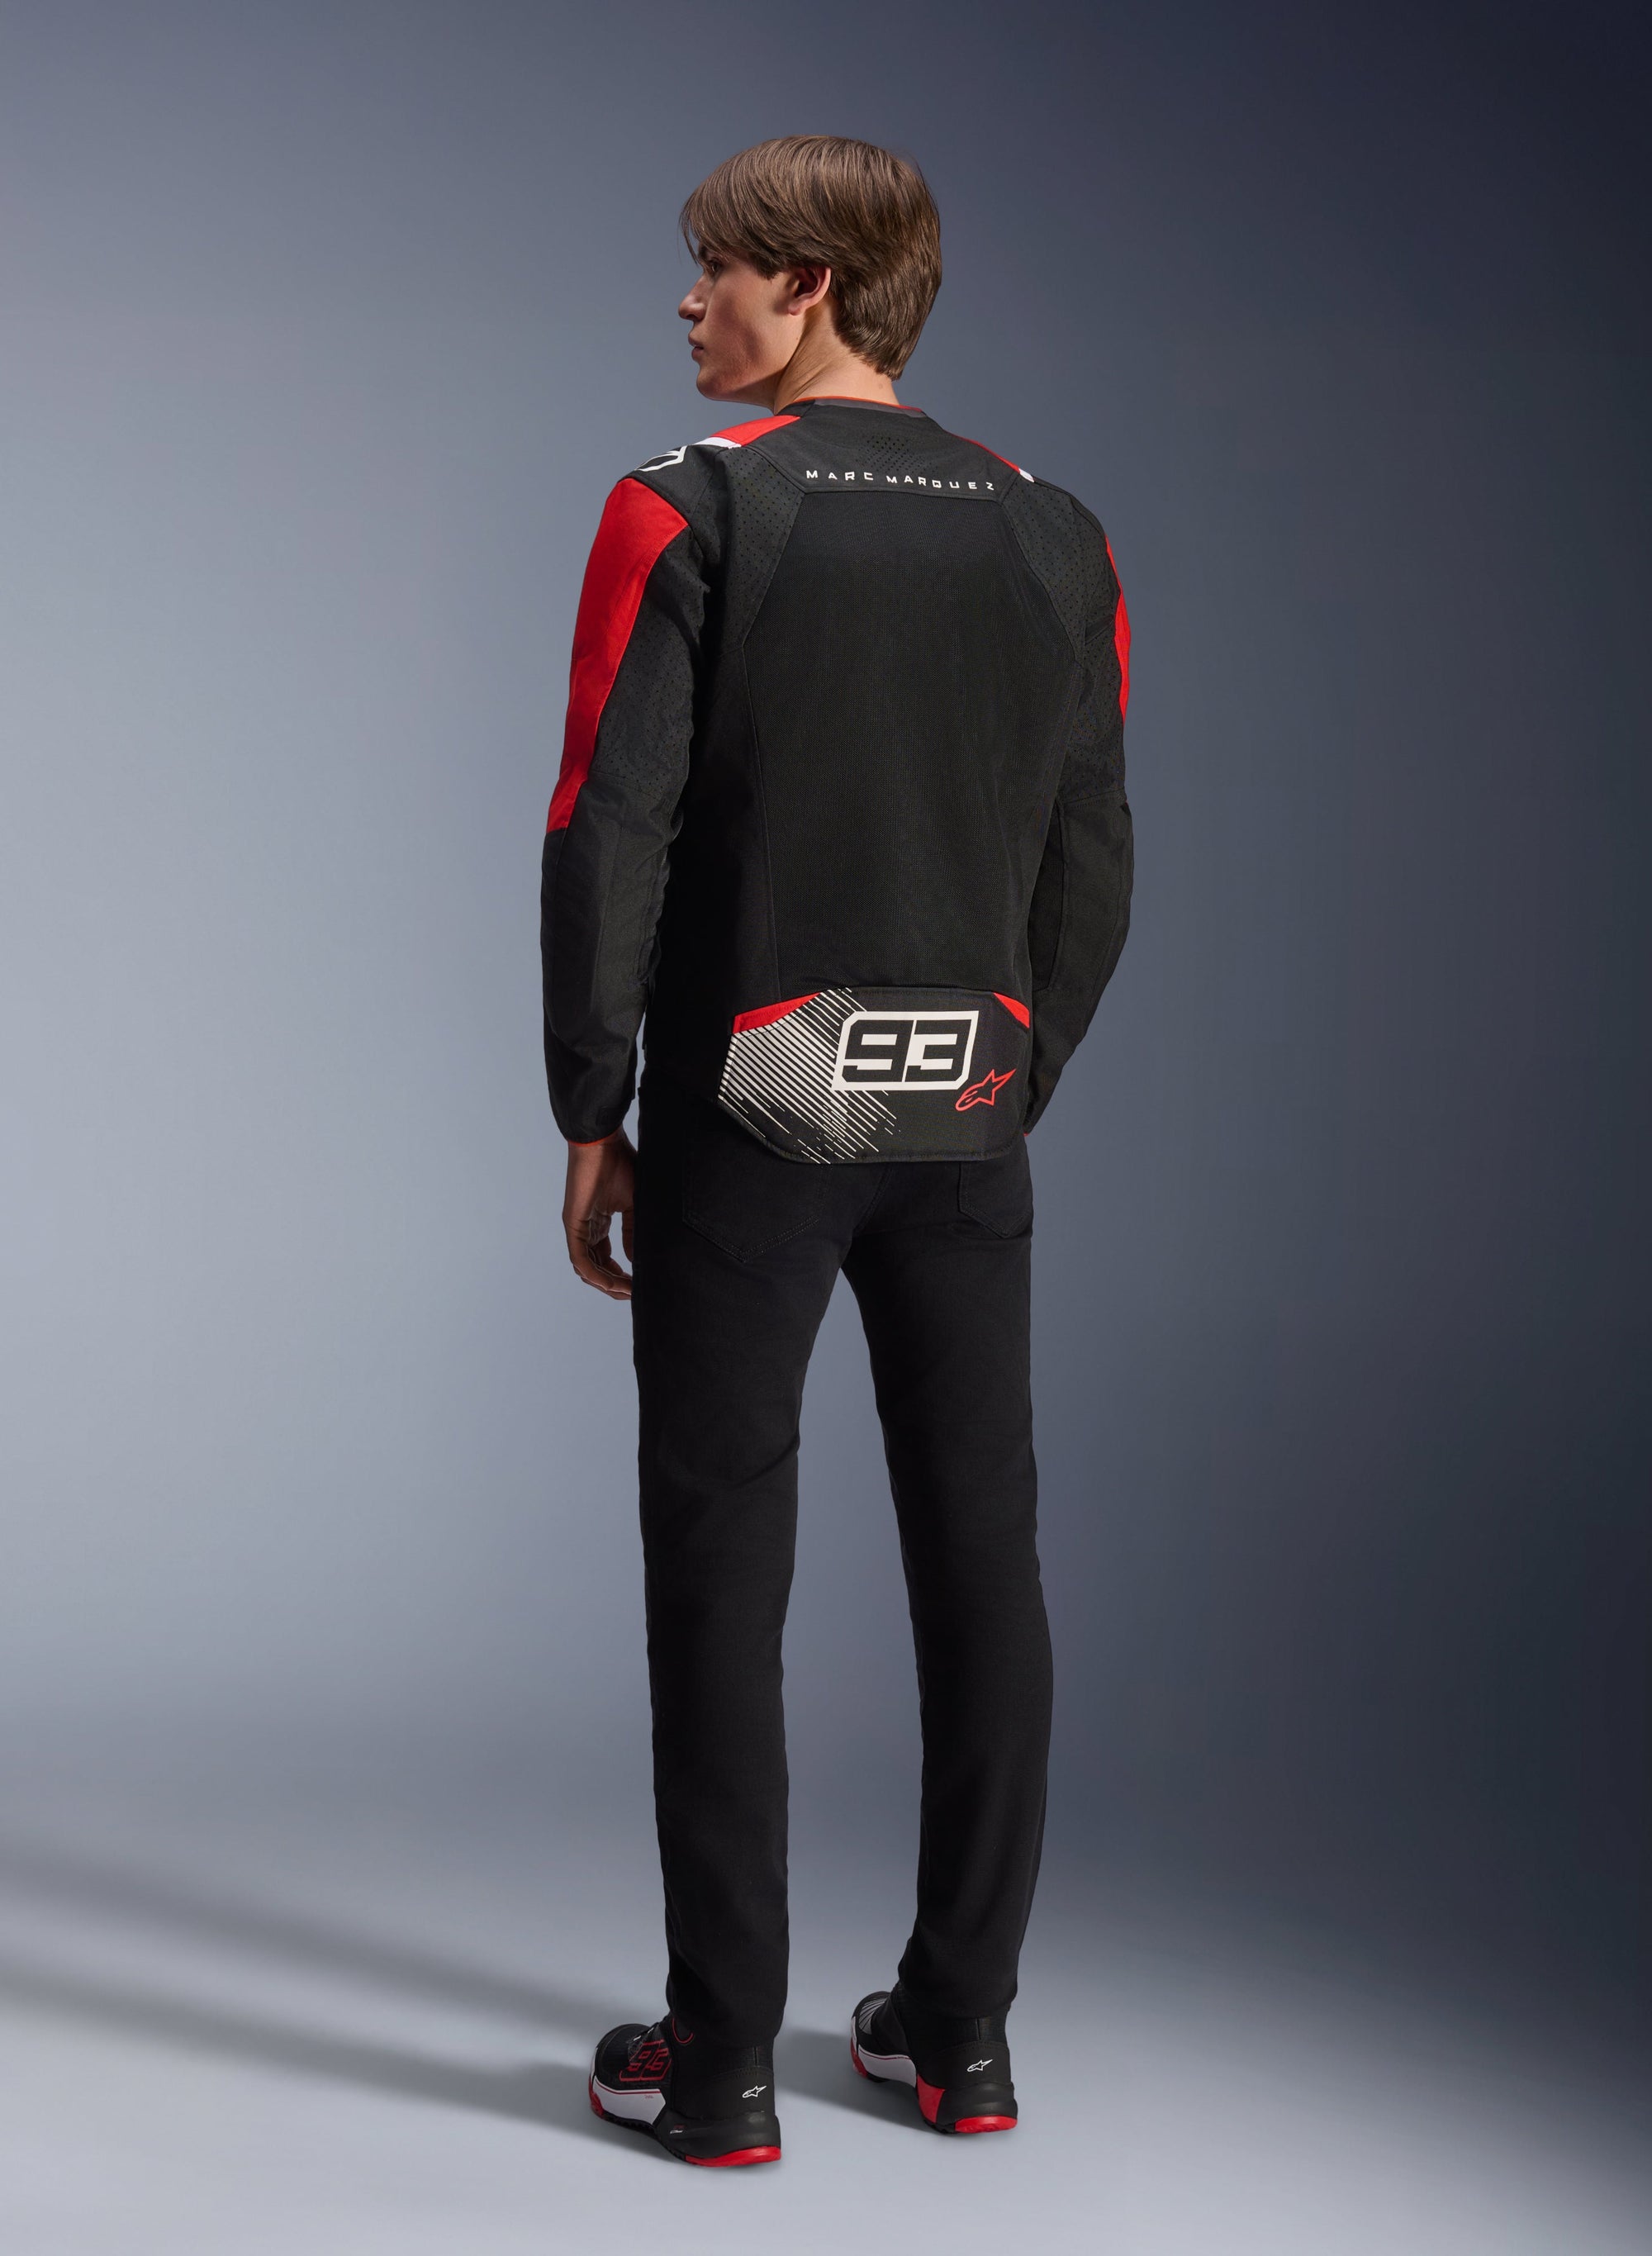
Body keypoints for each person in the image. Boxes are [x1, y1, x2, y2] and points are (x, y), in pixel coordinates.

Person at [542, 135, 1132, 2167]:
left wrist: (590, 1104)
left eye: (714, 267)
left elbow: (604, 824)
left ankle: (719, 2066)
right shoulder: (1054, 529)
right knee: (983, 1557)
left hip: (752, 1110)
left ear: (805, 286)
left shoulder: (685, 505)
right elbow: (1092, 863)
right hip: (964, 1109)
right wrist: (995, 1084)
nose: (687, 302)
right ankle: (960, 2038)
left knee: (723, 1563)